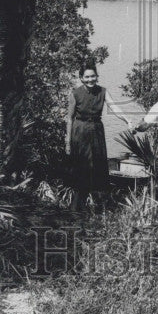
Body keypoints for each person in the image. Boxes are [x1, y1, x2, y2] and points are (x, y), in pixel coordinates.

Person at [66, 61, 132, 211]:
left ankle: (98, 206)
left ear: (97, 76)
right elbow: (69, 118)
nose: (90, 80)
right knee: (82, 166)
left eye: (93, 76)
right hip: (80, 130)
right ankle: (76, 207)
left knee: (97, 166)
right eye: (87, 77)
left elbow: (114, 106)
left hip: (96, 130)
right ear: (81, 78)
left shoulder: (102, 91)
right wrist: (68, 142)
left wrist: (127, 119)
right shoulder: (75, 94)